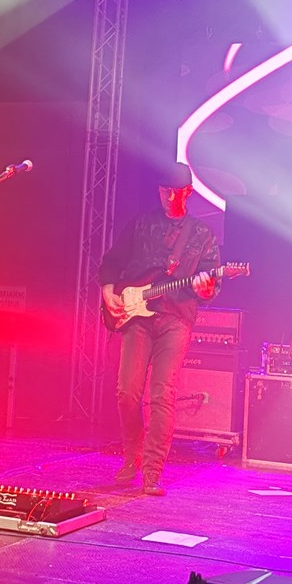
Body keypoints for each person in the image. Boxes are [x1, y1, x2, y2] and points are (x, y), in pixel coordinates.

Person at [99, 161, 221, 496]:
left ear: (188, 192)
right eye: (165, 191)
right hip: (137, 317)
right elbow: (112, 261)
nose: (170, 197)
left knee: (161, 393)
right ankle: (132, 456)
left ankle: (153, 472)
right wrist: (107, 289)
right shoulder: (141, 225)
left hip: (176, 318)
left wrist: (206, 288)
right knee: (127, 392)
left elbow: (210, 287)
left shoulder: (202, 235)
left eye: (176, 192)